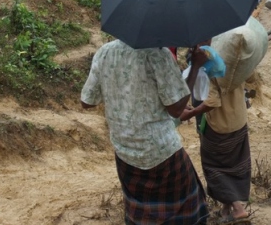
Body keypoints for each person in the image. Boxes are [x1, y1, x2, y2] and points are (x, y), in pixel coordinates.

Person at [81, 40, 207, 224]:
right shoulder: (158, 54)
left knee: (141, 214)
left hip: (125, 151)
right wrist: (195, 66)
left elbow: (87, 102)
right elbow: (177, 108)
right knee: (185, 211)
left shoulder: (105, 52)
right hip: (161, 152)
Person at [180, 47, 251, 223]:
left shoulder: (209, 68)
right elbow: (248, 81)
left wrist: (190, 113)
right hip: (239, 122)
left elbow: (212, 101)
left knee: (214, 167)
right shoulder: (232, 62)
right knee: (236, 164)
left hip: (219, 127)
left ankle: (238, 208)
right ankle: (226, 210)